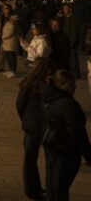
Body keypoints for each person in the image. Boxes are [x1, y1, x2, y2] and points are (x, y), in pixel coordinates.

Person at [41, 70, 91, 201]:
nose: (75, 87)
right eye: (71, 85)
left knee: (53, 186)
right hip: (65, 149)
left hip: (52, 145)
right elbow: (77, 132)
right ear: (61, 85)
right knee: (60, 189)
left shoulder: (49, 97)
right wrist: (88, 154)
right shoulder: (68, 104)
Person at [16, 58, 56, 200]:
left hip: (32, 126)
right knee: (50, 159)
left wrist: (26, 119)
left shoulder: (28, 83)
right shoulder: (51, 85)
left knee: (30, 159)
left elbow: (20, 104)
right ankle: (51, 191)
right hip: (47, 127)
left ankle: (32, 189)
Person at [60, 4, 83, 79]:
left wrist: (72, 42)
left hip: (71, 42)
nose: (64, 10)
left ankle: (75, 74)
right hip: (66, 42)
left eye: (66, 9)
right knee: (68, 58)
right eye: (64, 9)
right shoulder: (64, 19)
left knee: (73, 58)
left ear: (70, 10)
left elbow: (74, 32)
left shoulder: (73, 19)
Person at [1, 6, 20, 78]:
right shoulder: (8, 22)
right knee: (9, 57)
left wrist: (3, 37)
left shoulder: (12, 25)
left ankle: (13, 71)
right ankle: (11, 70)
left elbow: (9, 33)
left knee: (11, 57)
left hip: (10, 43)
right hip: (7, 43)